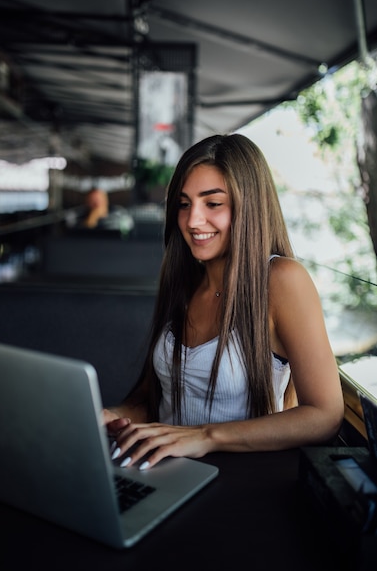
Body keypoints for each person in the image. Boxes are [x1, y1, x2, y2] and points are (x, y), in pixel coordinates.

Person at [104, 133, 344, 470]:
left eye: (212, 203)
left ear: (250, 207)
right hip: (164, 474)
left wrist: (204, 436)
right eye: (184, 204)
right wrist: (111, 415)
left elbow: (324, 416)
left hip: (241, 485)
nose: (192, 220)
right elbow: (151, 398)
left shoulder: (282, 281)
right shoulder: (185, 280)